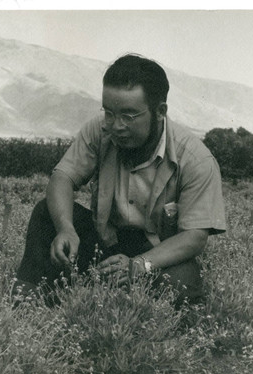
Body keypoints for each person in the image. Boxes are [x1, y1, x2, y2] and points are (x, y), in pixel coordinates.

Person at [16, 54, 226, 306]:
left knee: (179, 283)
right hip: (104, 242)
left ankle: (142, 322)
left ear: (160, 112)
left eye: (128, 115)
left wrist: (138, 265)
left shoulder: (196, 159)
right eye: (109, 113)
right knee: (45, 213)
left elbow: (194, 237)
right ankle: (25, 305)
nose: (115, 126)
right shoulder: (98, 130)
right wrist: (66, 229)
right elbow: (62, 178)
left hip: (155, 255)